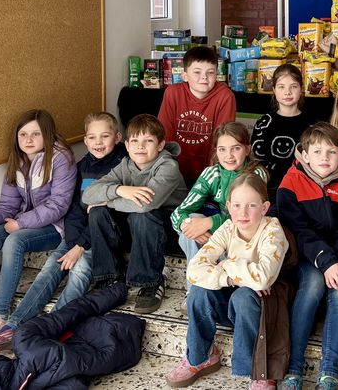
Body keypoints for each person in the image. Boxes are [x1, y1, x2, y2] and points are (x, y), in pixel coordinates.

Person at [0, 112, 127, 354]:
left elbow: (114, 214)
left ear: (117, 137)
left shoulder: (123, 166)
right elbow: (74, 211)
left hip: (104, 238)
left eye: (104, 136)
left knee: (77, 274)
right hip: (78, 236)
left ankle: (50, 327)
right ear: (85, 140)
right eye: (92, 137)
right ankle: (13, 326)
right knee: (50, 269)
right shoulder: (83, 166)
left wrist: (80, 247)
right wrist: (73, 241)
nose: (98, 142)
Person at [0, 109, 77, 350]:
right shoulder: (18, 161)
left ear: (48, 135)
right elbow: (8, 205)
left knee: (14, 241)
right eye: (23, 134)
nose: (28, 140)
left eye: (36, 134)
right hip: (25, 221)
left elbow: (58, 205)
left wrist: (20, 223)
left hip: (55, 227)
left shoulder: (61, 158)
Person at [165, 174, 288, 389]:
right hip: (233, 304)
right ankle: (200, 357)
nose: (243, 212)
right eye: (237, 205)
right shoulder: (228, 228)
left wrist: (228, 264)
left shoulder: (272, 230)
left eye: (251, 205)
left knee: (243, 296)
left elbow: (263, 279)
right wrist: (230, 278)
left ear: (264, 207)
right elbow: (194, 270)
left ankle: (257, 369)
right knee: (199, 291)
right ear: (229, 206)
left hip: (266, 309)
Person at [277, 122, 338, 390]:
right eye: (318, 151)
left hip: (336, 257)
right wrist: (327, 262)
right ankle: (293, 367)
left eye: (331, 152)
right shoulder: (291, 182)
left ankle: (329, 373)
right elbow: (298, 231)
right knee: (312, 285)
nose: (324, 158)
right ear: (305, 153)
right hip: (303, 256)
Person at [83, 114, 188, 314]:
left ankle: (150, 281)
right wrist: (119, 190)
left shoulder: (168, 166)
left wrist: (108, 200)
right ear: (127, 145)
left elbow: (143, 206)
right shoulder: (126, 166)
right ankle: (108, 277)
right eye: (135, 141)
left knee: (143, 215)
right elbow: (88, 195)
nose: (140, 146)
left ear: (160, 145)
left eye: (148, 141)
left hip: (168, 231)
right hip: (137, 229)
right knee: (97, 212)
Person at [171, 122, 269, 308]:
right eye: (222, 149)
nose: (229, 156)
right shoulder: (211, 173)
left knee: (201, 223)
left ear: (247, 149)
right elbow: (178, 214)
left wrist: (210, 221)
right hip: (216, 239)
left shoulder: (256, 174)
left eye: (236, 148)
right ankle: (194, 291)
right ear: (216, 151)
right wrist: (195, 228)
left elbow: (247, 220)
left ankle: (226, 283)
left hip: (244, 239)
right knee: (189, 226)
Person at [158, 46, 237, 185]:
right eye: (197, 72)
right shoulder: (172, 93)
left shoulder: (225, 96)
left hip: (210, 173)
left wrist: (210, 179)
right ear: (184, 75)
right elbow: (165, 134)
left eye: (210, 72)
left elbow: (222, 140)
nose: (204, 77)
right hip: (174, 172)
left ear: (216, 74)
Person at [252, 64, 314, 207]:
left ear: (301, 89)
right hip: (269, 192)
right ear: (273, 90)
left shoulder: (312, 125)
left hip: (304, 192)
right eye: (281, 87)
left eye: (293, 86)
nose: (288, 92)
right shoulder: (264, 123)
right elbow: (257, 162)